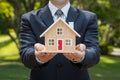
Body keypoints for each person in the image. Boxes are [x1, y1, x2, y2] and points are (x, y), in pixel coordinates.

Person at [20, 0, 100, 80]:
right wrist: (37, 57)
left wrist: (83, 56)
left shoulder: (88, 18)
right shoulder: (29, 18)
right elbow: (25, 54)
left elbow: (94, 52)